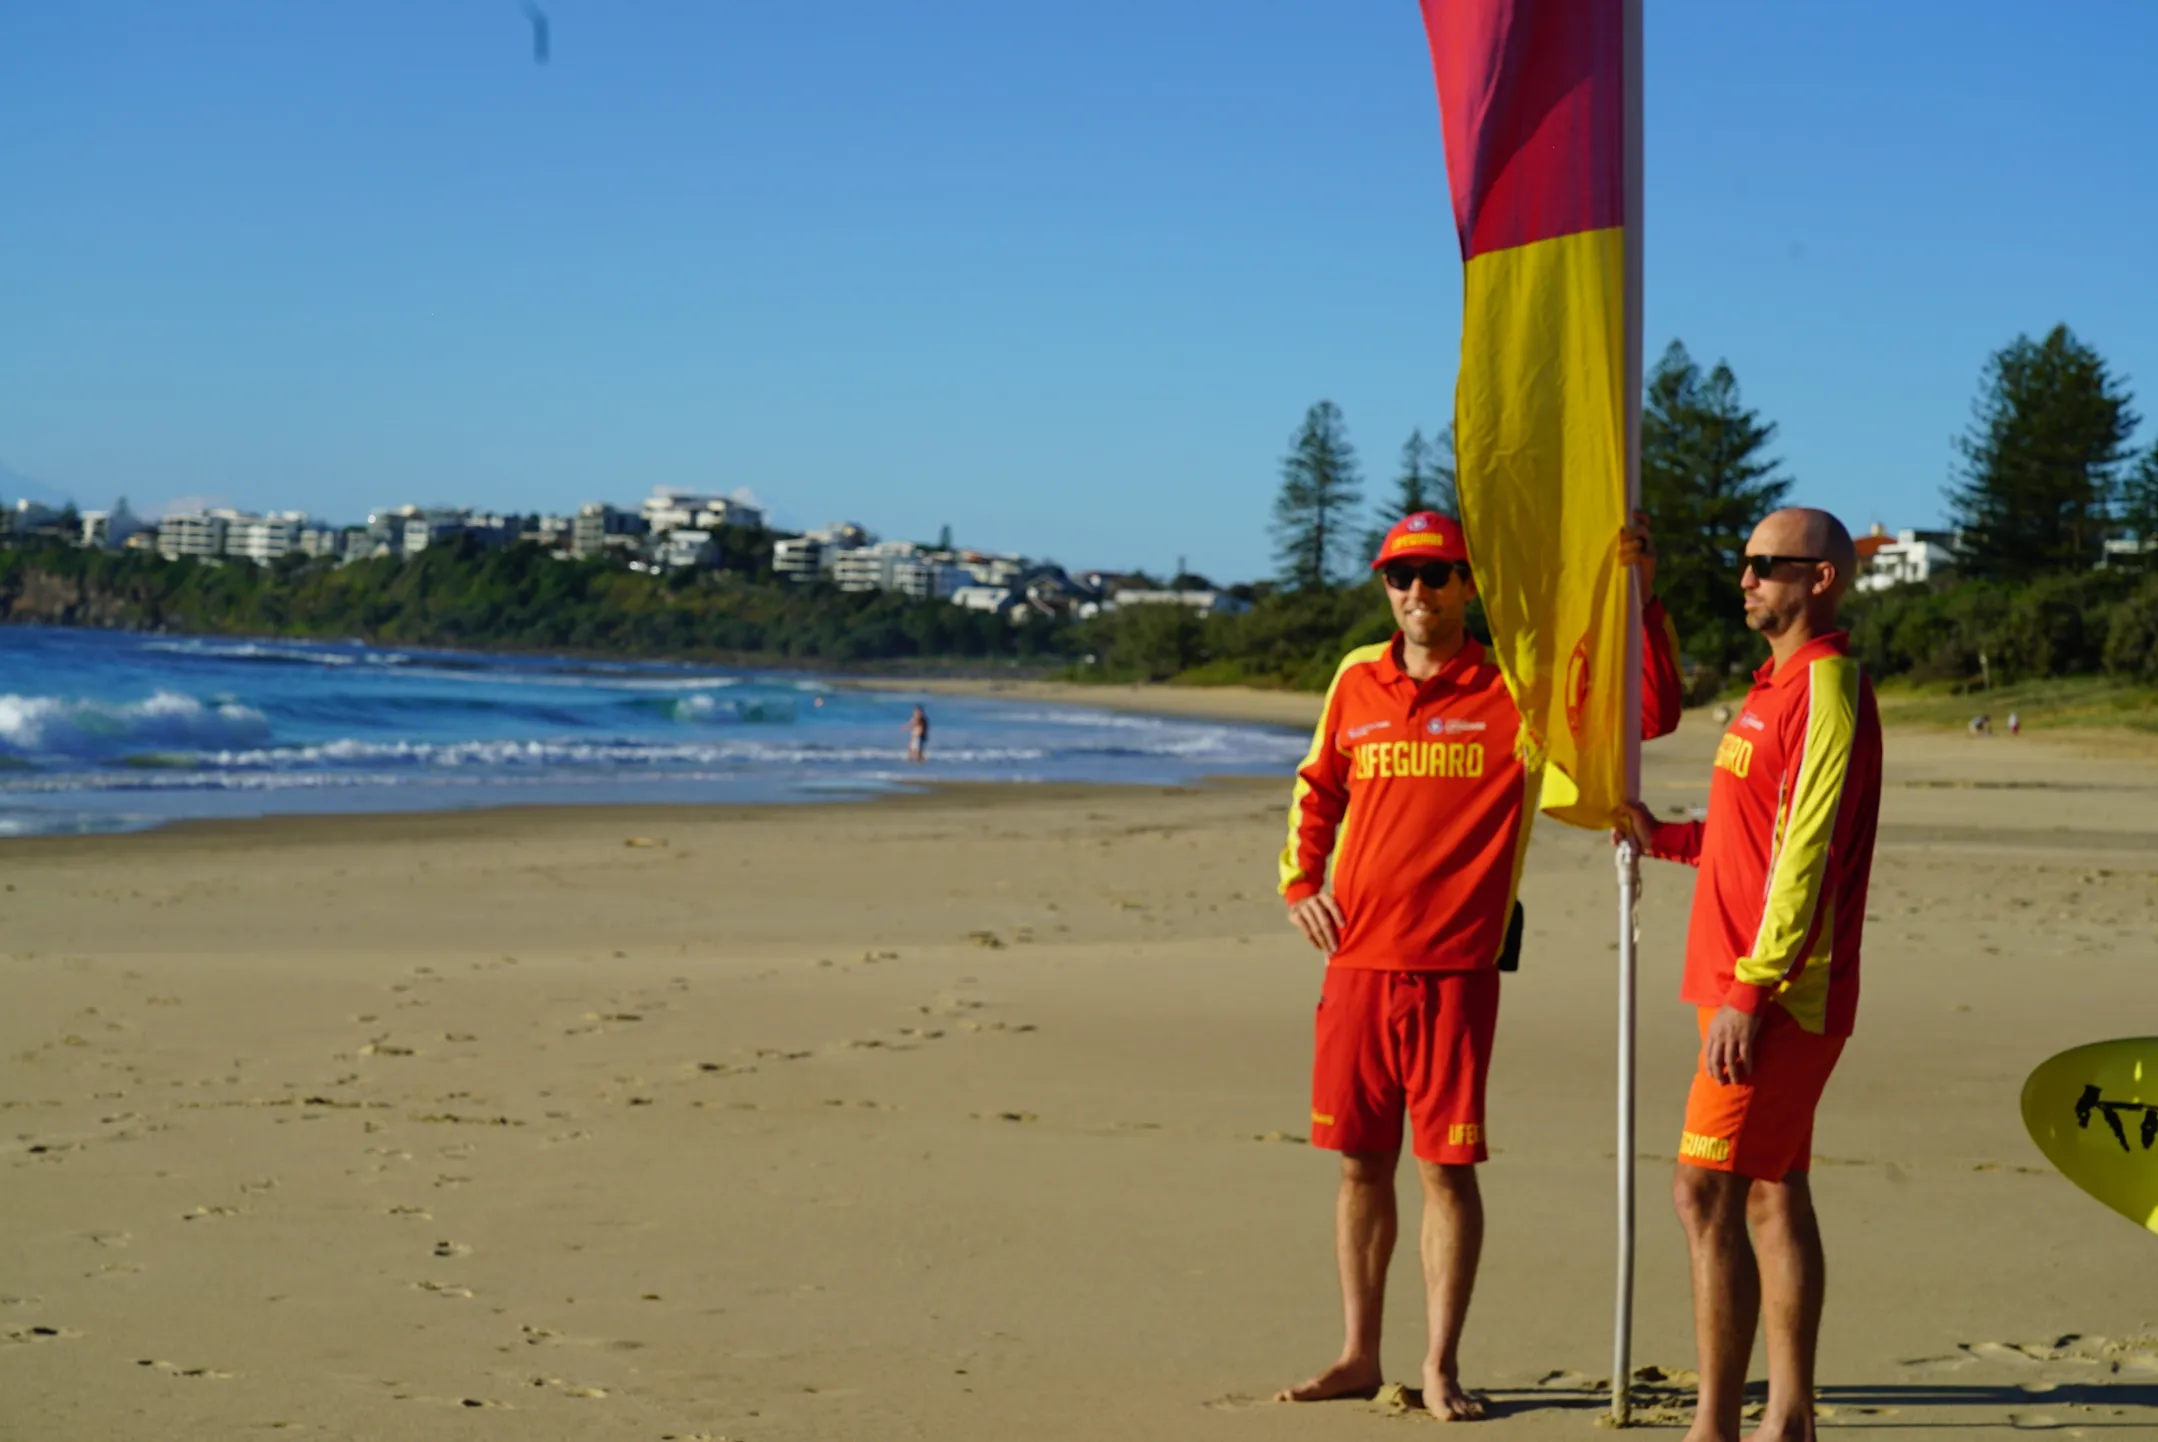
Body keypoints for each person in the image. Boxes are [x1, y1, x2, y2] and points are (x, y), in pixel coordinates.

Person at [1277, 510, 1683, 1419]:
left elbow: (1645, 714)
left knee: (1446, 1171)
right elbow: (1317, 787)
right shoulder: (1354, 678)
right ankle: (1354, 1353)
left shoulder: (1519, 686)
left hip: (1457, 969)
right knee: (1358, 1166)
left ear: (1468, 583)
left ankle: (1439, 1364)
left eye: (1436, 574)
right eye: (1400, 577)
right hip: (1355, 965)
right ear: (1385, 587)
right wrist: (1302, 881)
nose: (1416, 592)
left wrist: (1642, 603)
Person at [1616, 507, 1882, 1442]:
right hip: (1737, 987)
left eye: (1768, 564)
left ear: (1821, 580)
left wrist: (1750, 991)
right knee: (1770, 1188)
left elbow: (1805, 857)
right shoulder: (1769, 688)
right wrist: (1668, 839)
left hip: (1777, 995)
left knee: (1703, 1192)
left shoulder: (1828, 688)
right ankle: (1790, 1416)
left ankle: (1715, 1428)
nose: (1747, 578)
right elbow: (1749, 840)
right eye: (1744, 562)